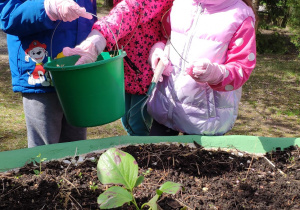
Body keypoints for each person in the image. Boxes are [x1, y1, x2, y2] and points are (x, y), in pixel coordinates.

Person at [63, 0, 174, 136]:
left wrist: (98, 39)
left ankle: (142, 153)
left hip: (146, 71)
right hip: (126, 70)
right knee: (127, 122)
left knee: (138, 127)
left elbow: (131, 9)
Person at [147, 0, 257, 136]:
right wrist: (158, 51)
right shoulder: (179, 4)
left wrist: (215, 74)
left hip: (205, 120)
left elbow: (242, 68)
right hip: (165, 107)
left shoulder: (240, 15)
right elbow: (167, 38)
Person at [0, 0, 97, 147]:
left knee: (76, 151)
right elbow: (8, 14)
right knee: (44, 153)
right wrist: (49, 8)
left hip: (77, 74)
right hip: (40, 76)